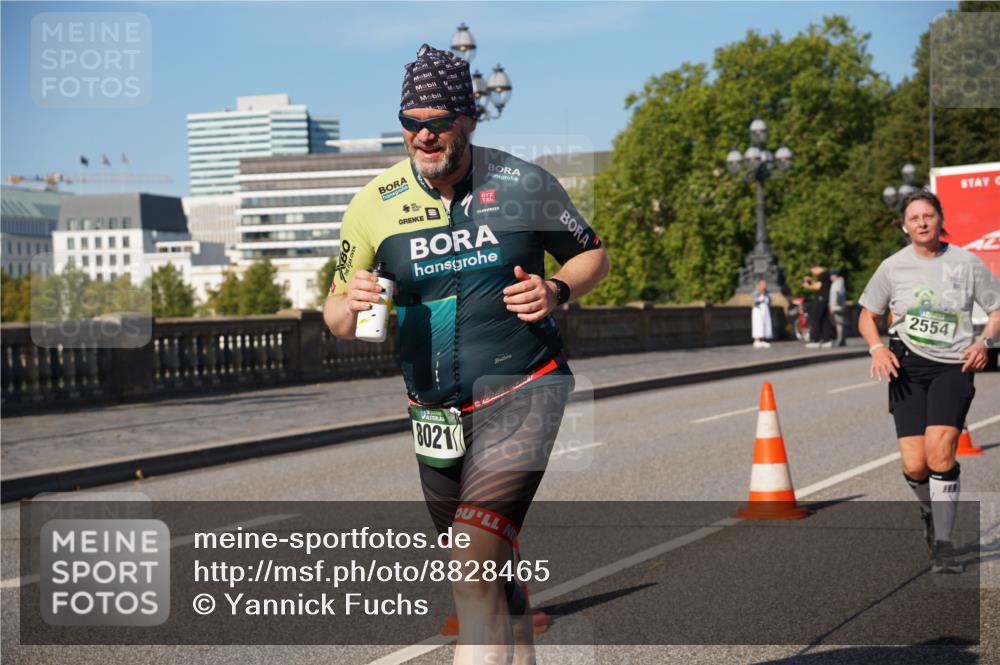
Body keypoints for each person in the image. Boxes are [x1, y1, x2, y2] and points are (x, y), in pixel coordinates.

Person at [323, 44, 609, 664]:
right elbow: (336, 316)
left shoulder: (523, 182)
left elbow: (592, 253)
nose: (424, 135)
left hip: (525, 388)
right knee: (486, 562)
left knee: (469, 561)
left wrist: (556, 288)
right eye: (411, 122)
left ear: (469, 120)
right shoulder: (372, 203)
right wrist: (352, 297)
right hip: (433, 412)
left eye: (438, 121)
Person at [858, 190, 1000, 574]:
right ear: (905, 226)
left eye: (928, 216)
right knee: (915, 464)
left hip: (953, 367)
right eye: (915, 217)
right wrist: (876, 349)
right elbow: (868, 315)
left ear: (940, 220)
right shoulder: (892, 267)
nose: (922, 222)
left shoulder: (966, 263)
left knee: (940, 454)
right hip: (906, 368)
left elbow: (995, 310)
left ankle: (945, 543)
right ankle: (929, 512)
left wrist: (985, 341)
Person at [802, 265, 834, 348]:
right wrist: (811, 280)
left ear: (815, 268)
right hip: (824, 299)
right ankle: (826, 340)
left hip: (820, 299)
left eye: (812, 271)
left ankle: (815, 340)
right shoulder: (826, 274)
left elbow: (818, 286)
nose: (813, 273)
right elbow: (819, 284)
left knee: (816, 318)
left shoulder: (822, 275)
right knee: (824, 319)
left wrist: (807, 286)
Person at [751, 279, 773, 348]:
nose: (764, 286)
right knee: (758, 324)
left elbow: (769, 302)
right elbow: (754, 303)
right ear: (759, 285)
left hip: (765, 310)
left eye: (765, 284)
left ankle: (762, 339)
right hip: (758, 310)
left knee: (765, 324)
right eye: (763, 284)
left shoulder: (767, 292)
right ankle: (757, 340)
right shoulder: (756, 292)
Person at [829, 270, 847, 347]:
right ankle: (842, 340)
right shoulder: (841, 283)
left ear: (834, 275)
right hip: (840, 307)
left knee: (839, 324)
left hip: (836, 307)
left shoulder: (836, 284)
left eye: (831, 275)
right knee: (840, 324)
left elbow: (835, 295)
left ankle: (840, 340)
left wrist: (832, 307)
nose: (830, 277)